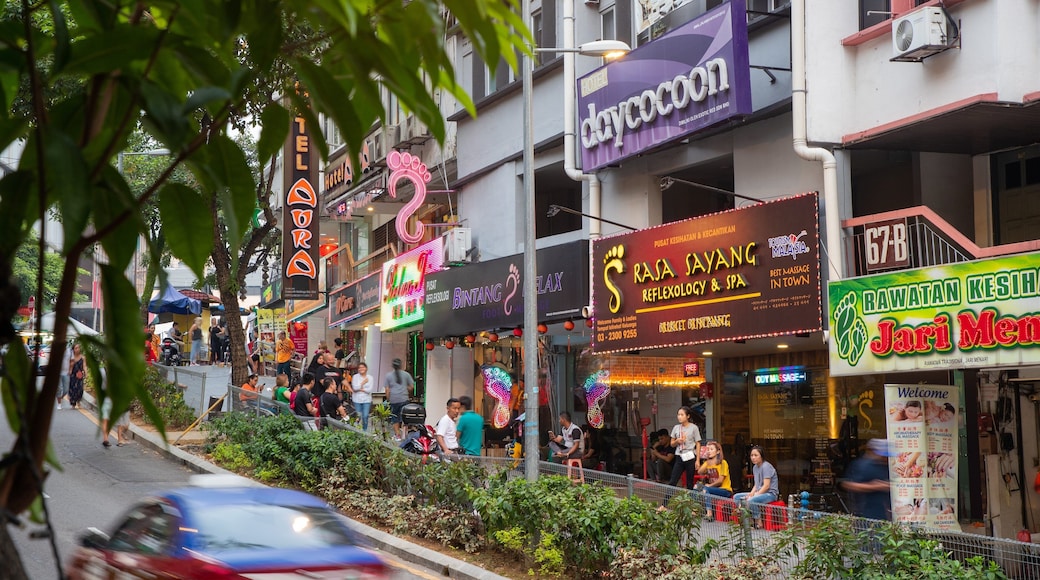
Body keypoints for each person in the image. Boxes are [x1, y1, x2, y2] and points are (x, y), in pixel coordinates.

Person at [843, 439, 892, 521]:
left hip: (883, 514)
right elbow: (847, 484)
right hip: (865, 513)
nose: (886, 458)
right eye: (884, 455)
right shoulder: (862, 465)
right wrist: (875, 486)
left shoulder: (885, 467)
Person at [732, 445, 779, 526]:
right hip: (760, 492)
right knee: (736, 497)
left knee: (751, 500)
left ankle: (758, 520)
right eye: (751, 455)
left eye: (756, 455)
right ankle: (748, 518)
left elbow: (766, 486)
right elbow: (756, 485)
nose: (753, 457)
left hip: (770, 494)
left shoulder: (766, 466)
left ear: (762, 456)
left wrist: (755, 495)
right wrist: (751, 493)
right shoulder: (755, 468)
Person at [666, 406, 701, 490]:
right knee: (673, 480)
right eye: (678, 415)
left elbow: (698, 443)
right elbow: (672, 444)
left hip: (690, 455)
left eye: (682, 415)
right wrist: (677, 441)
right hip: (679, 455)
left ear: (688, 416)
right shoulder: (676, 428)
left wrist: (698, 460)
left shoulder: (694, 428)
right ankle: (665, 502)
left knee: (690, 481)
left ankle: (690, 502)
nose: (679, 417)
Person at [697, 440, 733, 521]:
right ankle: (694, 510)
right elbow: (700, 471)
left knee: (705, 489)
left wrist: (709, 486)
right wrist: (705, 460)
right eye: (708, 449)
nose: (709, 451)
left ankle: (709, 513)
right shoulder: (708, 463)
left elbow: (720, 481)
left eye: (711, 449)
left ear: (718, 451)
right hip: (713, 490)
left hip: (725, 490)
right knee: (696, 487)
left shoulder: (723, 463)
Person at [385, 358, 415, 440]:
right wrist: (405, 388)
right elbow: (412, 387)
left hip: (394, 400)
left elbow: (387, 390)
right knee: (404, 418)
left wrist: (388, 399)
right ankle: (404, 435)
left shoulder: (388, 376)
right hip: (404, 399)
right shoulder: (406, 375)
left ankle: (397, 435)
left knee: (395, 418)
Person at [350, 362, 374, 431]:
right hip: (357, 399)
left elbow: (369, 390)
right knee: (358, 415)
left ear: (366, 368)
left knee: (365, 416)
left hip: (367, 400)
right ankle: (356, 429)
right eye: (359, 367)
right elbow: (355, 388)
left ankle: (364, 430)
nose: (361, 369)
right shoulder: (355, 377)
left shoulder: (370, 377)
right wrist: (363, 383)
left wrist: (360, 389)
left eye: (363, 367)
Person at [68, 343, 85, 409]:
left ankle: (78, 401)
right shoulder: (71, 358)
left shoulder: (83, 357)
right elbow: (69, 366)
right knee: (73, 389)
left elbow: (84, 366)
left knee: (80, 389)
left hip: (80, 375)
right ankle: (73, 404)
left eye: (78, 348)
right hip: (73, 375)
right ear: (73, 350)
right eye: (76, 348)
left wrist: (85, 372)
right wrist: (69, 371)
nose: (78, 349)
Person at [57, 340, 72, 410]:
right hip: (58, 373)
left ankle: (61, 396)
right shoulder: (57, 351)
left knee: (66, 389)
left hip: (66, 372)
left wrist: (70, 370)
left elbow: (71, 361)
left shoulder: (69, 351)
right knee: (59, 388)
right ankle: (59, 403)